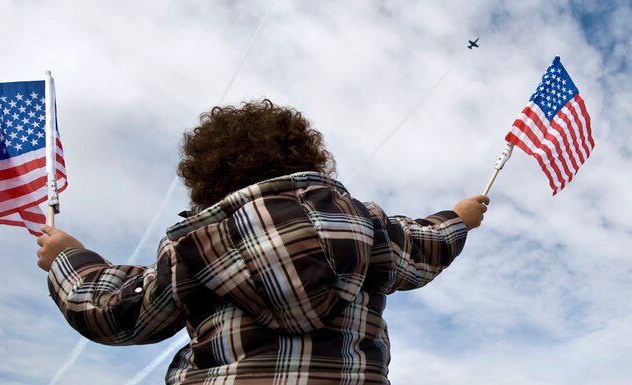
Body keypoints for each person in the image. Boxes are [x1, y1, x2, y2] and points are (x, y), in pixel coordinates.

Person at [37, 99, 489, 385]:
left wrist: (68, 257)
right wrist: (460, 217)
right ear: (306, 160)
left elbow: (116, 312)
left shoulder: (193, 248)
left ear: (207, 177)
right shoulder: (369, 228)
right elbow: (426, 244)